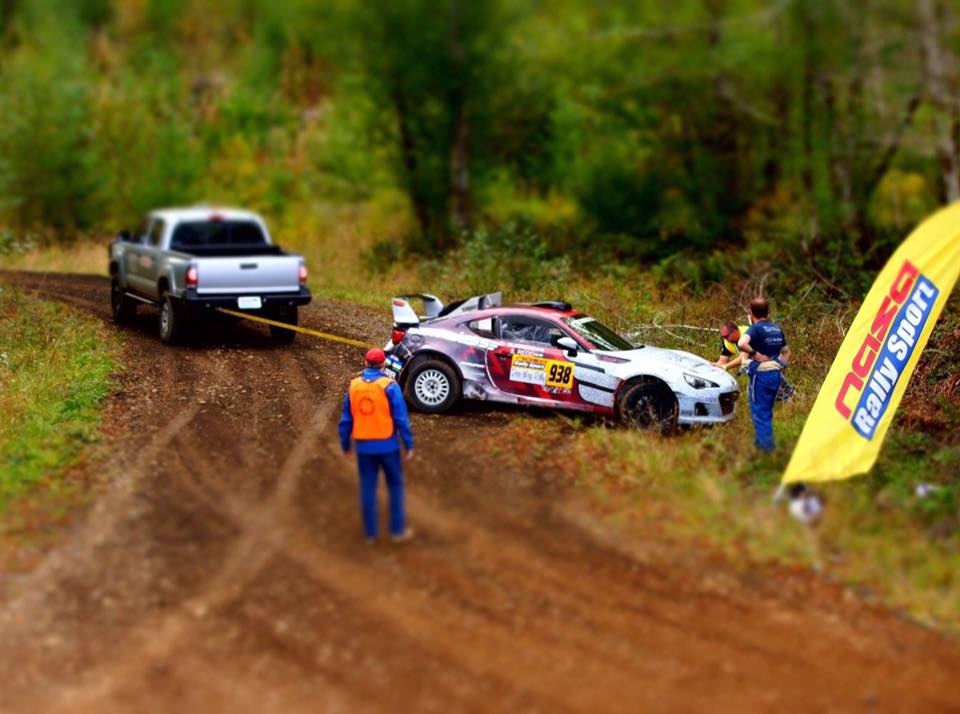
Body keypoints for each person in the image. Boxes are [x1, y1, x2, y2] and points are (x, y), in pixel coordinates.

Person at [339, 348, 414, 544]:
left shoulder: (353, 386)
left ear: (365, 363)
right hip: (388, 446)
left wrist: (345, 445)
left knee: (367, 488)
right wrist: (408, 444)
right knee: (395, 486)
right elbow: (401, 419)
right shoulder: (390, 386)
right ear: (383, 364)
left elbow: (346, 420)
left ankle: (371, 534)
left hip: (364, 447)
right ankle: (397, 531)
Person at [738, 297, 790, 452]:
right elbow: (786, 352)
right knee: (766, 411)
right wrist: (780, 366)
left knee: (760, 413)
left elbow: (741, 343)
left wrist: (755, 354)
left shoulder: (755, 329)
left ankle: (767, 452)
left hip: (760, 376)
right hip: (775, 375)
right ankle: (760, 445)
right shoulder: (776, 328)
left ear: (751, 312)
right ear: (768, 311)